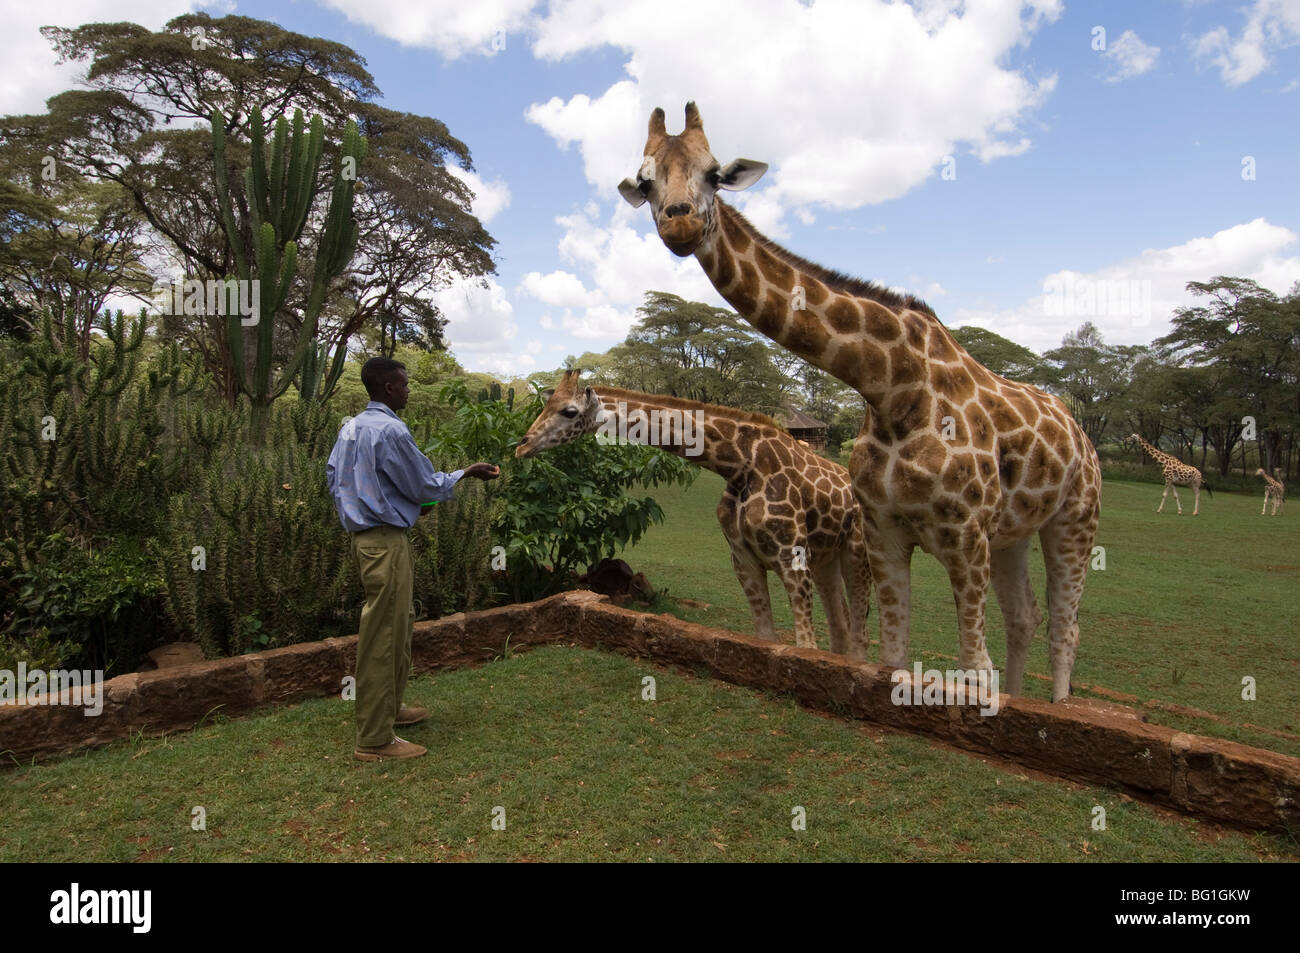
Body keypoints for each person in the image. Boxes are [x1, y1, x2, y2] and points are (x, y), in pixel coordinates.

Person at [326, 357, 500, 761]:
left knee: (397, 626)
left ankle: (390, 710)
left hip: (369, 538)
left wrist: (382, 506)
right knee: (383, 636)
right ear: (388, 388)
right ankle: (373, 739)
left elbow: (338, 479)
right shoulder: (391, 430)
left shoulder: (350, 428)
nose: (408, 390)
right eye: (404, 384)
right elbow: (421, 482)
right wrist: (466, 473)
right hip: (384, 542)